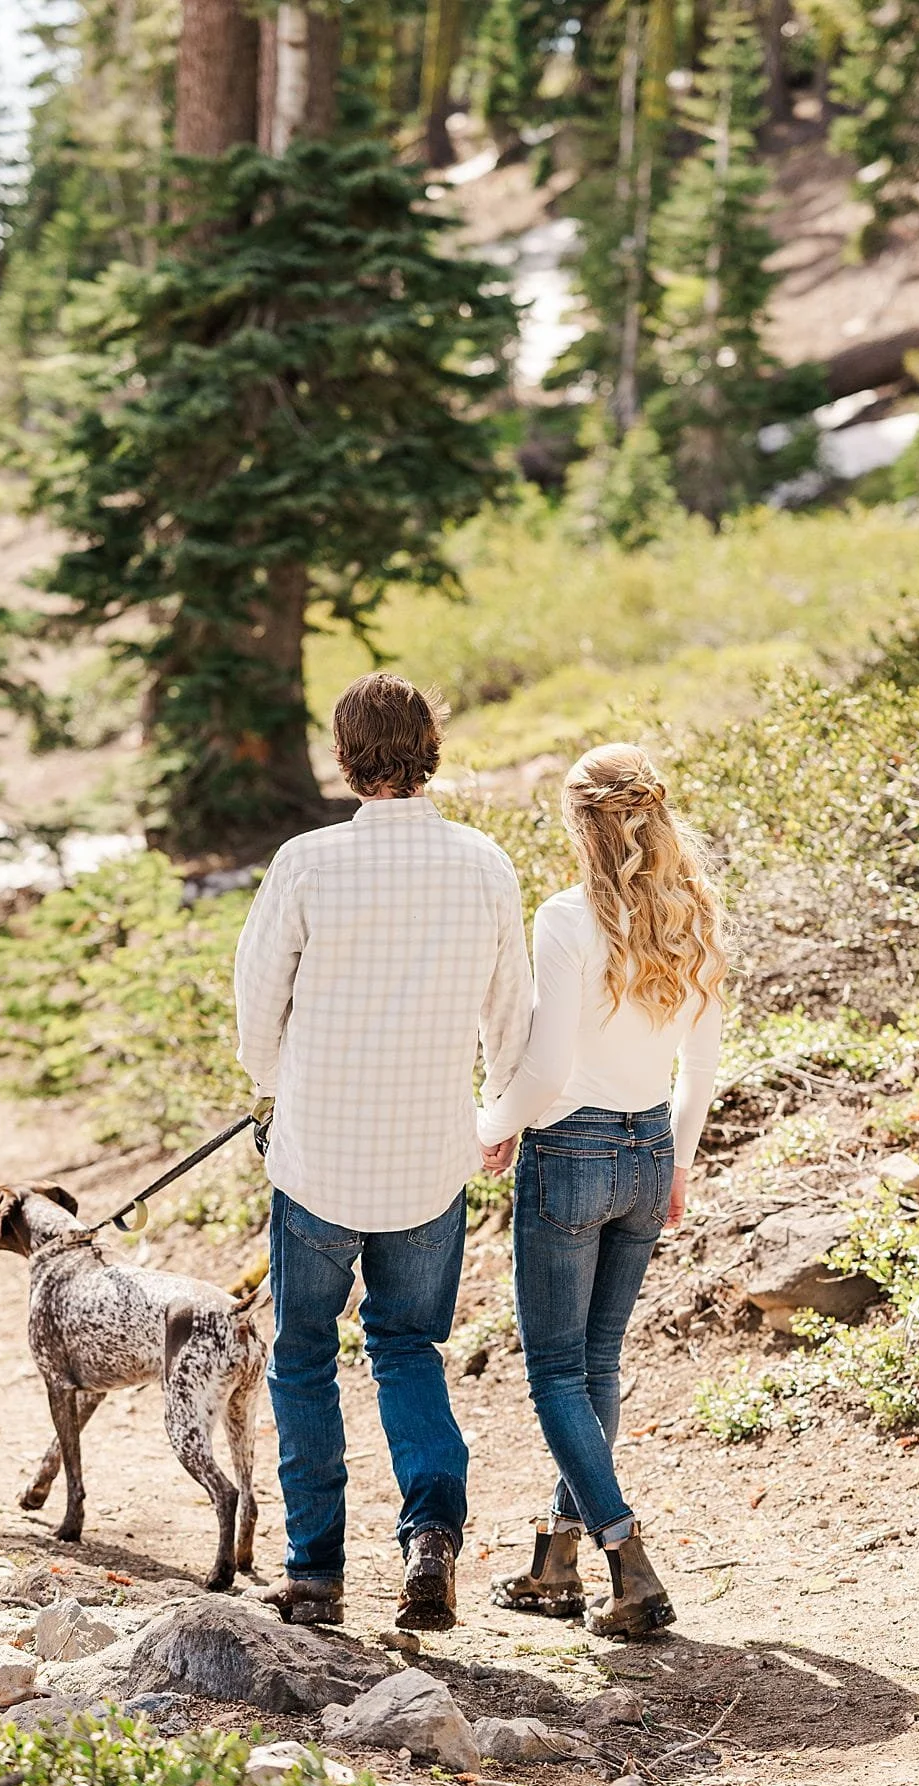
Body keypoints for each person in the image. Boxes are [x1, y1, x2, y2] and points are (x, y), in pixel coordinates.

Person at [235, 673, 531, 1630]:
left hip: (318, 1157)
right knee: (409, 1348)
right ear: (431, 747)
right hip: (430, 1159)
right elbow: (511, 1012)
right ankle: (431, 1535)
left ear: (344, 753)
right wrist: (497, 1117)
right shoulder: (483, 861)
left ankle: (315, 1570)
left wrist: (281, 1081)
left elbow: (255, 1003)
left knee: (304, 1354)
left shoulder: (307, 862)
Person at [474, 744, 725, 1640]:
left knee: (554, 1370)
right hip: (651, 1144)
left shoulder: (566, 918)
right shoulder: (692, 912)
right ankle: (557, 1561)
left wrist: (489, 1125)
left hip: (571, 1147)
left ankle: (625, 1553)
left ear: (580, 821)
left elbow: (545, 1067)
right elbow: (701, 1065)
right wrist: (680, 1163)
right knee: (599, 1362)